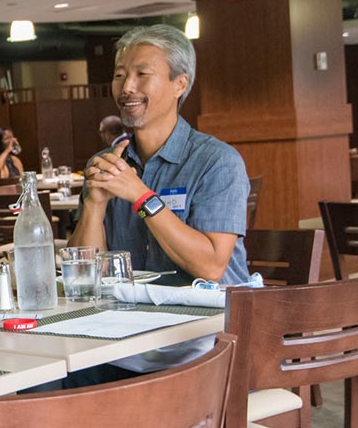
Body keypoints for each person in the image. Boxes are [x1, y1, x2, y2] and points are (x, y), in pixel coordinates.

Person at [66, 24, 248, 386]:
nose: (126, 87)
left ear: (180, 84)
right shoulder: (106, 162)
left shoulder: (216, 161)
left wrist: (142, 196)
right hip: (126, 338)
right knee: (43, 392)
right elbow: (82, 280)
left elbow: (211, 266)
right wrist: (95, 205)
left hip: (207, 344)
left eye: (141, 74)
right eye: (120, 75)